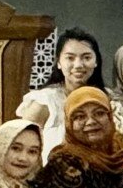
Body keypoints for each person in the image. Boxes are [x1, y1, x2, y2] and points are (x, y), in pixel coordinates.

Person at [18, 29, 106, 157]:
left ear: (96, 61)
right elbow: (22, 146)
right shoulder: (45, 102)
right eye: (70, 58)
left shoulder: (109, 99)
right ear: (58, 62)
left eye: (86, 57)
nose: (78, 65)